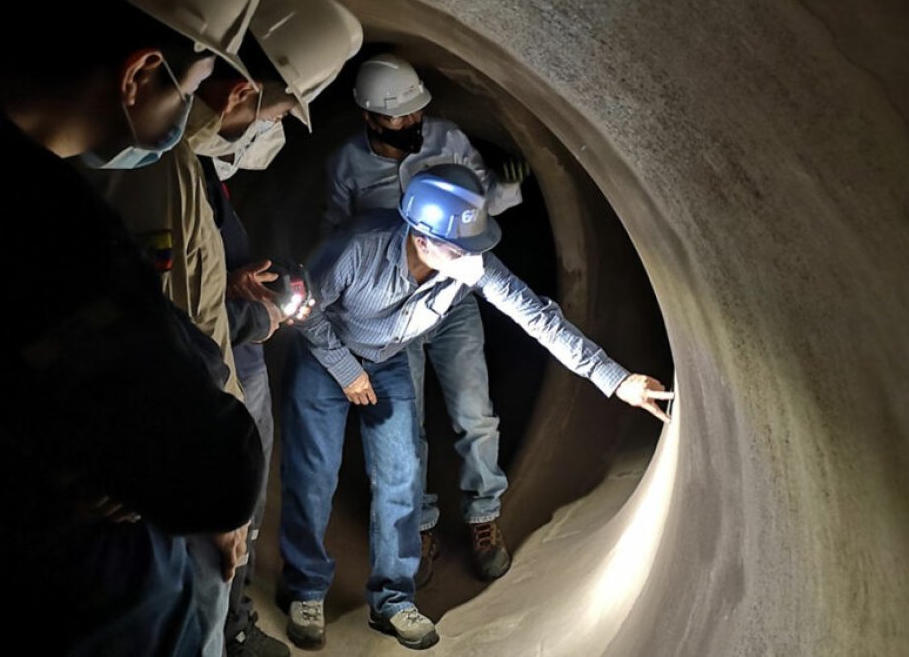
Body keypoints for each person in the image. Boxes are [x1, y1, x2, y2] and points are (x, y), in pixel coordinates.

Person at [0, 0, 267, 654]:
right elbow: (215, 471)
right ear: (139, 74)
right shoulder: (26, 214)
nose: (185, 112)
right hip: (73, 618)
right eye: (187, 89)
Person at [279, 164, 673, 651]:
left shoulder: (468, 265)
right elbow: (302, 309)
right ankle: (305, 590)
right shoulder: (358, 247)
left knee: (402, 475)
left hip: (387, 360)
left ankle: (393, 600)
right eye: (459, 247)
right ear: (422, 238)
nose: (471, 257)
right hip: (326, 357)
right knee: (314, 473)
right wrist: (345, 369)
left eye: (472, 246)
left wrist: (617, 380)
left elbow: (538, 318)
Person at [85, 0, 362, 654]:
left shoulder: (180, 164)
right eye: (276, 113)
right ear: (239, 92)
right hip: (157, 474)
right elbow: (174, 336)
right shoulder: (159, 167)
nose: (265, 128)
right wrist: (213, 492)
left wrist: (226, 283)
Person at [325, 53, 532, 585]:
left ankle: (484, 515)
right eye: (399, 116)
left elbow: (479, 208)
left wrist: (507, 187)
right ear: (370, 117)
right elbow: (337, 240)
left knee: (474, 410)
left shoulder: (447, 140)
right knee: (405, 424)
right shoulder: (346, 165)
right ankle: (418, 525)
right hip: (392, 314)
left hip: (453, 296)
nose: (413, 121)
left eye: (417, 110)